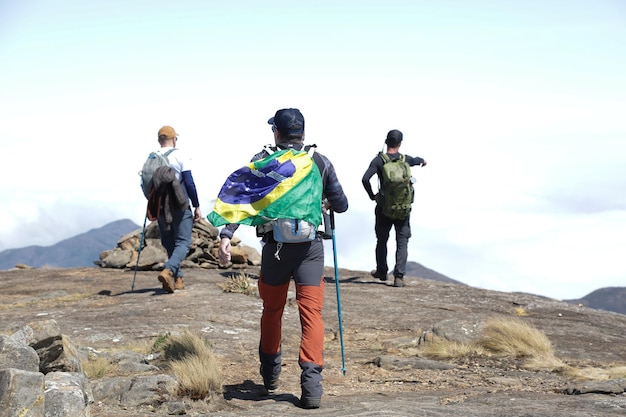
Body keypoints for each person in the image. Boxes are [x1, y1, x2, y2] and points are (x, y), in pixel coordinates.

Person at [217, 108, 348, 409]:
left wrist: (226, 235)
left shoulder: (264, 161)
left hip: (275, 249)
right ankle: (312, 388)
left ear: (276, 132)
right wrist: (321, 202)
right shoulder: (320, 162)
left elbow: (243, 201)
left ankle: (270, 375)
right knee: (311, 315)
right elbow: (341, 204)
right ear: (302, 133)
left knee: (272, 310)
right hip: (311, 249)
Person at [361, 129, 427, 288]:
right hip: (403, 209)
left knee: (382, 240)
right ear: (400, 143)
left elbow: (365, 179)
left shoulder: (379, 160)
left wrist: (372, 195)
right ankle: (399, 277)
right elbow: (418, 160)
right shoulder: (405, 160)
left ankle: (382, 271)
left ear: (386, 142)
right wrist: (422, 161)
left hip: (384, 208)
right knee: (402, 241)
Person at [150, 126, 202, 293]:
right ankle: (169, 270)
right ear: (174, 139)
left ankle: (178, 279)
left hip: (159, 204)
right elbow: (189, 182)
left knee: (168, 240)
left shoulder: (152, 157)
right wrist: (196, 205)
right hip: (180, 204)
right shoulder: (180, 155)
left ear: (159, 140)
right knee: (183, 242)